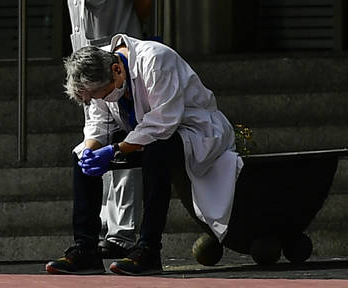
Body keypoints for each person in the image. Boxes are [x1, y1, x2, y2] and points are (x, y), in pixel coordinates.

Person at [45, 35, 242, 276]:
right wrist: (91, 149)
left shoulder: (156, 60)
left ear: (117, 70)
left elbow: (163, 122)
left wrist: (115, 150)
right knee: (80, 158)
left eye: (102, 95)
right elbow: (98, 121)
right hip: (143, 133)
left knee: (156, 152)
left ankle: (149, 250)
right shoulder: (101, 70)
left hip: (194, 132)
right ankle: (86, 250)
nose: (101, 100)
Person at [56, 0, 153, 259]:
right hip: (86, 64)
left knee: (124, 143)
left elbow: (141, 0)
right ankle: (101, 228)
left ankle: (123, 233)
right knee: (95, 141)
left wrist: (125, 43)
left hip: (116, 61)